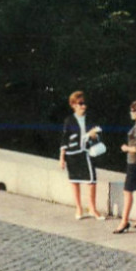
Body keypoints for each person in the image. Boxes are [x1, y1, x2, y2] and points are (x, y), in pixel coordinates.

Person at [59, 90, 105, 220]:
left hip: (86, 153)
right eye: (80, 103)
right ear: (73, 104)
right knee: (75, 181)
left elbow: (99, 131)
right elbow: (64, 139)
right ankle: (78, 208)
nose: (84, 106)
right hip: (72, 154)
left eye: (85, 103)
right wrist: (62, 158)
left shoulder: (90, 118)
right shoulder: (69, 120)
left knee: (91, 181)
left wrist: (94, 134)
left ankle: (92, 209)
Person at [113, 99, 136, 234]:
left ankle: (124, 221)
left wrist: (125, 148)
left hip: (135, 163)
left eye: (133, 110)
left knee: (127, 191)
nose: (131, 113)